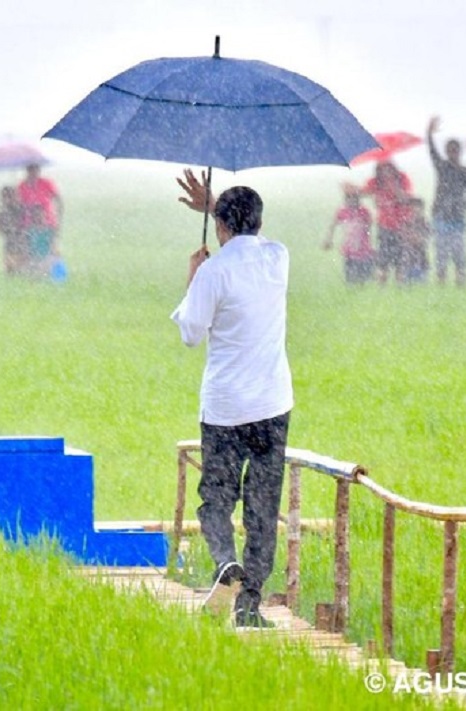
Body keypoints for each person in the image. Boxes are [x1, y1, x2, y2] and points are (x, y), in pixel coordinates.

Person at [171, 169, 293, 630]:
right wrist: (217, 206)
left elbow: (190, 333)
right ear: (258, 222)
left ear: (220, 227)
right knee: (262, 505)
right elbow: (244, 232)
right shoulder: (279, 258)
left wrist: (192, 279)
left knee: (217, 499)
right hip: (272, 403)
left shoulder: (213, 271)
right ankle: (251, 604)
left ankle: (225, 561)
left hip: (225, 408)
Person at [426, 116, 466, 286]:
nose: (453, 153)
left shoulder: (464, 172)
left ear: (459, 152)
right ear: (447, 152)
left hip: (457, 220)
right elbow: (432, 151)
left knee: (459, 259)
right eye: (450, 150)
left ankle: (459, 288)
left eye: (455, 150)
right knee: (441, 258)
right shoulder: (442, 167)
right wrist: (429, 132)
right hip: (441, 219)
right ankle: (442, 288)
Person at [357, 160, 413, 285]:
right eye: (381, 169)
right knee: (383, 259)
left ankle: (400, 286)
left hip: (402, 226)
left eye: (387, 168)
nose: (385, 172)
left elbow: (406, 198)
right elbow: (363, 192)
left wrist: (394, 186)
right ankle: (382, 287)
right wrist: (352, 188)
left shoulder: (402, 178)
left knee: (400, 259)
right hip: (385, 226)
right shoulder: (376, 182)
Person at [323, 183, 375, 285]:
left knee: (362, 277)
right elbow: (333, 225)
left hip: (362, 249)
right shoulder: (342, 212)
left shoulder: (364, 212)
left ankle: (362, 283)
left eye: (354, 198)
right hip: (349, 249)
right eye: (348, 198)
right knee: (350, 276)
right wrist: (328, 239)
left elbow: (369, 229)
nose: (352, 201)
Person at [17, 163, 62, 277]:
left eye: (35, 170)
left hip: (47, 221)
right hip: (28, 222)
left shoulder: (46, 183)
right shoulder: (22, 186)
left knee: (50, 247)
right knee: (30, 248)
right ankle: (32, 273)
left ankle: (53, 272)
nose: (33, 173)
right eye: (31, 170)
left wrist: (58, 218)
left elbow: (58, 199)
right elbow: (20, 205)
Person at [0, 186, 27, 274]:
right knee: (9, 264)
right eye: (4, 197)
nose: (7, 199)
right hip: (9, 239)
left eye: (9, 196)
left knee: (21, 263)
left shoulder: (21, 207)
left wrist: (16, 226)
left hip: (21, 238)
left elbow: (25, 222)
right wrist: (7, 228)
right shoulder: (2, 210)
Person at [401, 197, 431, 283]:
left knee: (421, 284)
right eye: (413, 207)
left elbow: (426, 238)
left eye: (418, 207)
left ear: (422, 209)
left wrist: (418, 238)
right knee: (406, 284)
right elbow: (404, 237)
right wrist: (414, 237)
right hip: (408, 259)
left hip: (421, 259)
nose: (415, 210)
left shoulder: (425, 223)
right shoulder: (406, 222)